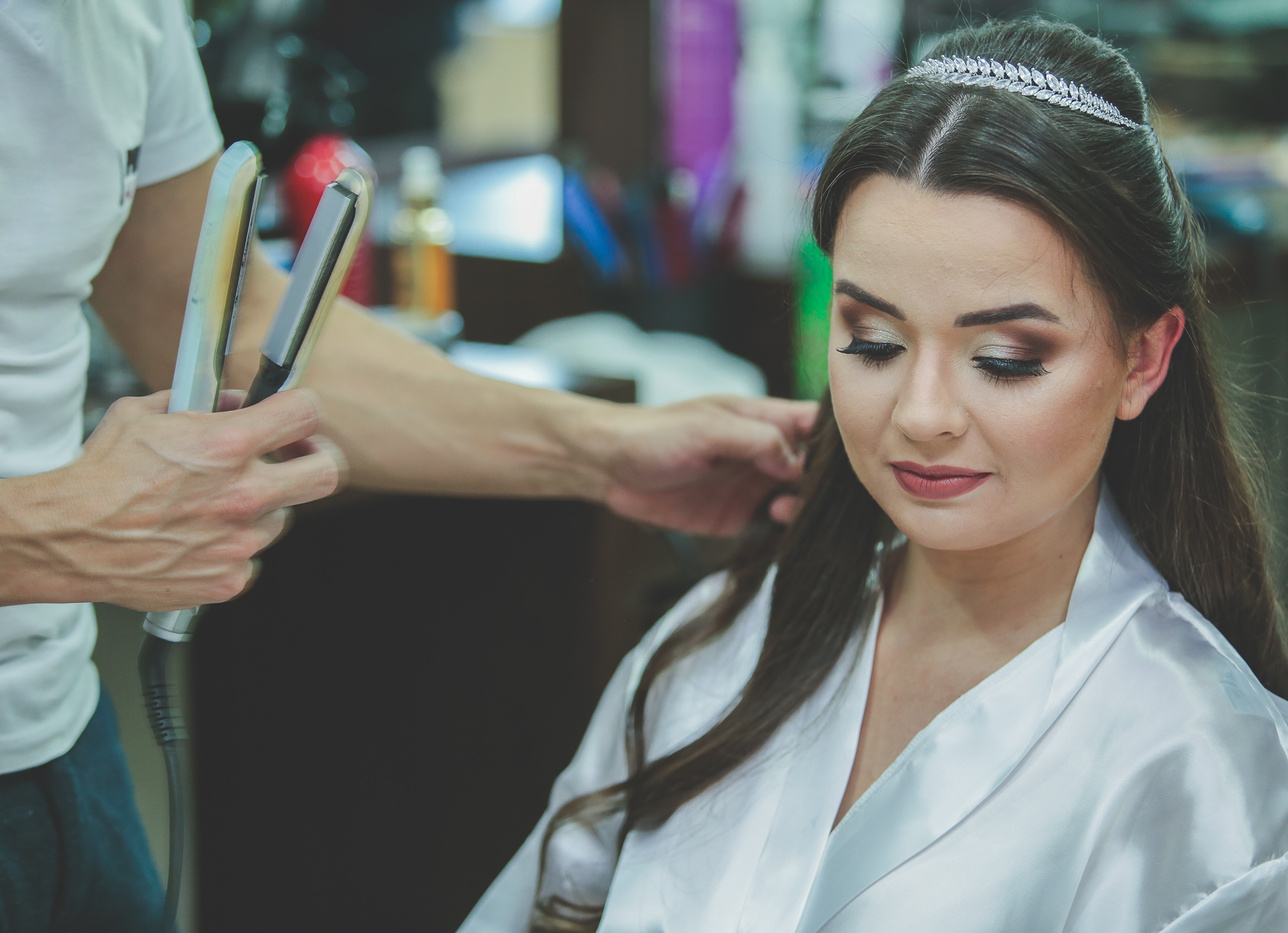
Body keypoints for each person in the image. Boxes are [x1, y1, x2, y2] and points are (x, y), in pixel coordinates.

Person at [458, 18, 1288, 933]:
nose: (921, 413)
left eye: (1005, 358)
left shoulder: (1214, 782)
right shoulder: (726, 643)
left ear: (1143, 359)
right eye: (873, 340)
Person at [0, 1, 812, 929]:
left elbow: (234, 321)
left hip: (59, 745)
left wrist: (603, 446)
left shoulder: (123, 17)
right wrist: (37, 532)